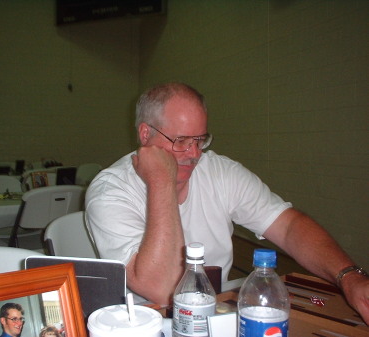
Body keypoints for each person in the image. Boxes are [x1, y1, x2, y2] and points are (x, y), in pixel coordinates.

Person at [85, 82, 369, 324]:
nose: (193, 154)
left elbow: (288, 226)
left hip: (216, 313)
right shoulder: (110, 190)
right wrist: (161, 181)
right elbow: (164, 290)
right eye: (181, 140)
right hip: (147, 322)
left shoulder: (221, 171)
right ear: (146, 135)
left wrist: (349, 277)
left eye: (200, 139)